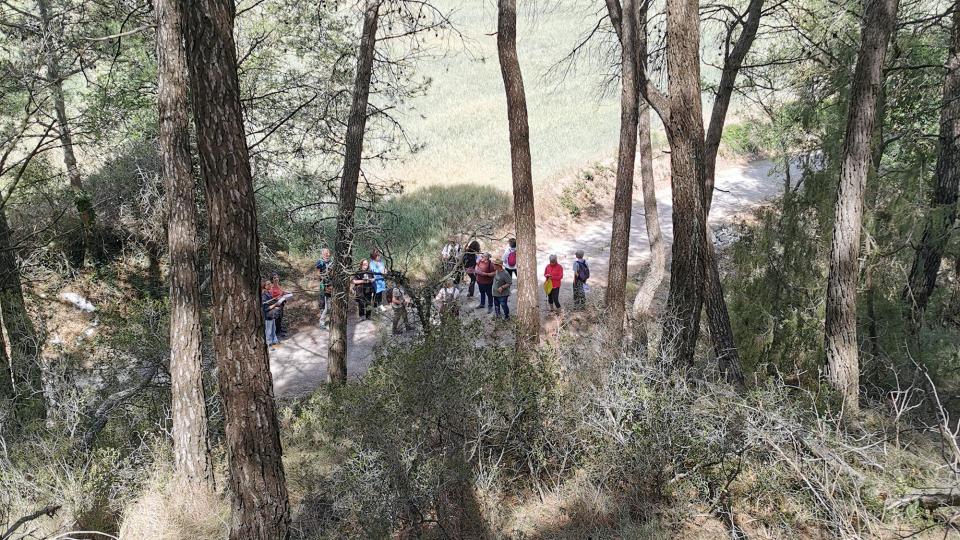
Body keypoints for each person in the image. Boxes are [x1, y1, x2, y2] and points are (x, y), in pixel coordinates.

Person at [315, 248, 332, 329]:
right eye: (326, 253)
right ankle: (322, 322)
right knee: (324, 303)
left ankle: (328, 321)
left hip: (331, 284)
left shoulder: (331, 262)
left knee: (330, 304)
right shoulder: (320, 262)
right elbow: (318, 274)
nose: (328, 254)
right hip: (324, 285)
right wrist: (324, 276)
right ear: (323, 254)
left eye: (328, 252)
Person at [261, 280, 280, 346]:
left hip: (272, 314)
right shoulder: (264, 295)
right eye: (268, 284)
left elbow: (271, 302)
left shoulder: (268, 293)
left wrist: (278, 301)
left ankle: (274, 341)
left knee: (273, 329)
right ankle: (269, 343)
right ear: (265, 286)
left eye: (270, 283)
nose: (270, 285)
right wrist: (275, 305)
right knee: (268, 330)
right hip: (268, 315)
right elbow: (265, 308)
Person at [269, 272, 287, 337]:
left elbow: (281, 293)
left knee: (281, 317)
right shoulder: (271, 287)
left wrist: (285, 293)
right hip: (275, 305)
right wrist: (279, 298)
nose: (276, 279)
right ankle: (277, 332)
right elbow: (271, 298)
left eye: (277, 277)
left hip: (281, 304)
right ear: (272, 279)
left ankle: (280, 329)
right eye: (274, 278)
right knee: (277, 318)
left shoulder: (278, 286)